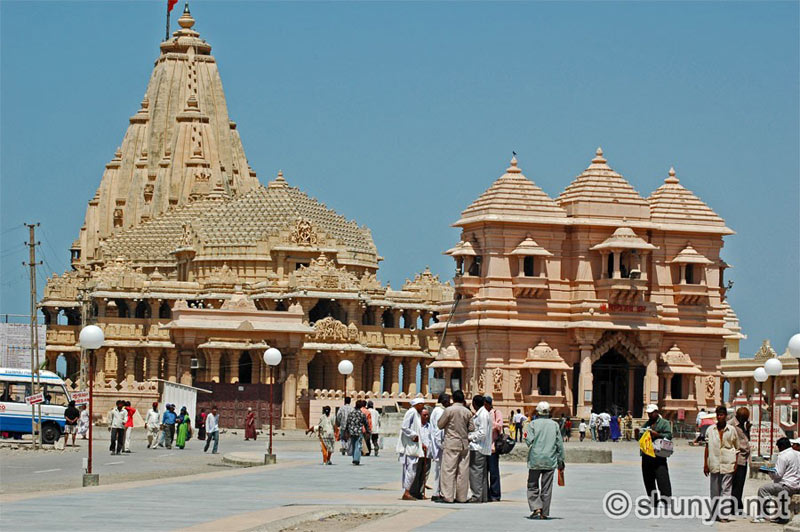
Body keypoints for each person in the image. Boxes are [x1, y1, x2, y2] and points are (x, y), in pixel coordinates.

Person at [525, 401, 565, 520]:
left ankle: (536, 507)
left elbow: (528, 441)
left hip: (535, 459)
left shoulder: (532, 424)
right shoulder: (554, 425)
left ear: (538, 411)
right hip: (550, 460)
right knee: (547, 488)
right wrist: (561, 460)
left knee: (532, 485)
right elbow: (559, 444)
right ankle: (544, 512)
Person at [435, 390, 473, 504]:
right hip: (464, 444)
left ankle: (448, 496)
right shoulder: (467, 412)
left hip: (451, 443)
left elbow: (440, 425)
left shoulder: (449, 410)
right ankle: (461, 497)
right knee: (463, 472)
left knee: (448, 470)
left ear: (453, 399)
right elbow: (472, 428)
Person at [704, 405, 739, 521]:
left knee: (726, 490)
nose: (720, 417)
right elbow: (707, 448)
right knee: (714, 490)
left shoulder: (732, 430)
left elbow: (737, 448)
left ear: (725, 416)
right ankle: (714, 514)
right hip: (714, 462)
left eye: (722, 415)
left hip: (728, 462)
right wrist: (705, 464)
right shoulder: (710, 430)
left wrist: (736, 464)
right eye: (718, 415)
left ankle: (724, 515)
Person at [754, 437, 800, 523]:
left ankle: (762, 515)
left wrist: (768, 471)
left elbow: (778, 474)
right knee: (779, 488)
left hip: (788, 486)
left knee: (763, 489)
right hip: (797, 485)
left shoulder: (783, 456)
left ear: (782, 447)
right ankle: (782, 516)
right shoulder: (797, 454)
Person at [640, 404, 672, 502]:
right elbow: (642, 437)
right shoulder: (646, 424)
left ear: (656, 412)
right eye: (648, 413)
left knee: (662, 478)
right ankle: (653, 499)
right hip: (647, 455)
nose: (650, 415)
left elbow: (669, 435)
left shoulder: (664, 423)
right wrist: (638, 434)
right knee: (648, 479)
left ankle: (666, 499)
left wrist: (657, 434)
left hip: (659, 455)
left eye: (651, 413)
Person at [398, 397, 425, 499]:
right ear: (417, 404)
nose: (423, 406)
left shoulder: (416, 414)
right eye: (421, 404)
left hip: (415, 446)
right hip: (411, 446)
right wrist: (414, 435)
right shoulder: (412, 412)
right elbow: (404, 427)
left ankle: (407, 490)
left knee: (412, 469)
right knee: (411, 469)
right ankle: (407, 492)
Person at [467, 394, 491, 503]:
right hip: (481, 447)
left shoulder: (482, 415)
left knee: (475, 473)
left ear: (474, 404)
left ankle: (476, 496)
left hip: (478, 447)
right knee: (481, 473)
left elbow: (483, 433)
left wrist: (470, 437)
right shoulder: (483, 413)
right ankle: (483, 496)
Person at [429, 393, 449, 501]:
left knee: (439, 470)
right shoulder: (440, 412)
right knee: (439, 470)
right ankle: (436, 493)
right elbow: (438, 431)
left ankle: (438, 491)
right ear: (444, 401)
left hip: (437, 444)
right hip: (438, 445)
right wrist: (441, 445)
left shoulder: (436, 411)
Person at [410, 407, 433, 499]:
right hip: (418, 453)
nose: (426, 417)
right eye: (424, 415)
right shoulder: (416, 426)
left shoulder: (430, 426)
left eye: (427, 415)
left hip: (428, 453)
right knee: (417, 472)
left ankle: (421, 492)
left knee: (425, 473)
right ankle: (413, 492)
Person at [731, 406, 750, 514]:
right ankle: (733, 506)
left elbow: (746, 439)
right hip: (736, 458)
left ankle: (737, 503)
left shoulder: (743, 426)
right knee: (735, 483)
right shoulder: (731, 425)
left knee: (740, 483)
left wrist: (747, 429)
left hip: (744, 458)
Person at [485, 396, 503, 501]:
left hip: (493, 447)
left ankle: (495, 494)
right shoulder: (481, 413)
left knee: (493, 471)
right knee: (484, 472)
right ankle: (486, 493)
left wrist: (489, 424)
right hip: (483, 447)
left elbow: (499, 426)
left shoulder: (496, 412)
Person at [346, 399, 368, 465]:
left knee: (353, 445)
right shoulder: (361, 414)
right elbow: (365, 423)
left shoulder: (351, 413)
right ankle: (356, 459)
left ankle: (354, 458)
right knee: (358, 446)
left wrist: (346, 431)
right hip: (358, 432)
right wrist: (368, 431)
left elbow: (348, 422)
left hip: (352, 431)